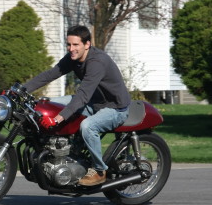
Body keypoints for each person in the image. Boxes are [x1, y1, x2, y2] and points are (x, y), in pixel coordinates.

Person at [23, 25, 131, 186]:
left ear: (87, 44)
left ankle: (99, 171)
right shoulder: (73, 58)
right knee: (48, 105)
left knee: (88, 126)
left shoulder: (97, 62)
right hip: (94, 102)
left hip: (115, 107)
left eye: (75, 45)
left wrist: (58, 118)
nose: (71, 49)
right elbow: (50, 75)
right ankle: (63, 152)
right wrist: (20, 90)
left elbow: (83, 95)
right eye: (69, 44)